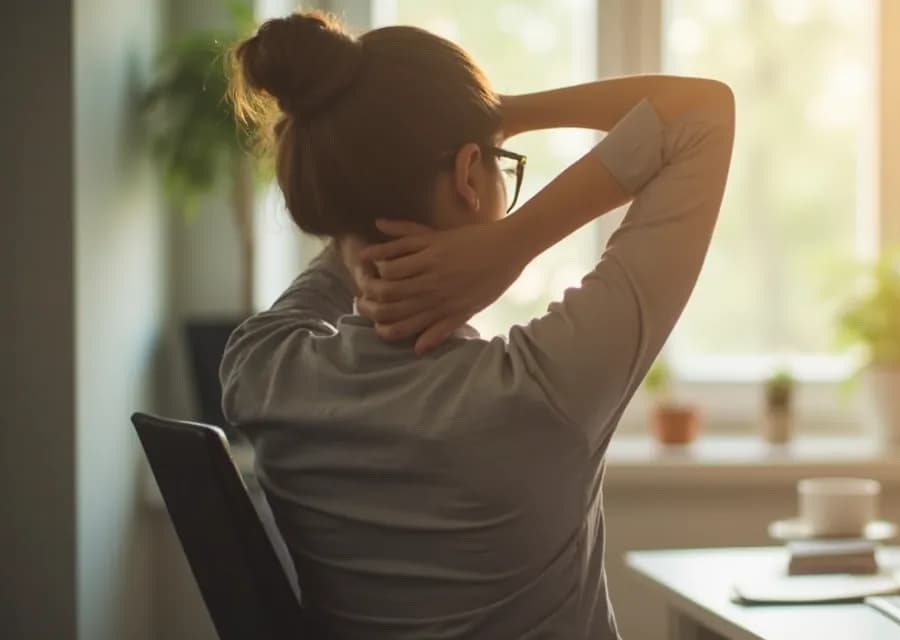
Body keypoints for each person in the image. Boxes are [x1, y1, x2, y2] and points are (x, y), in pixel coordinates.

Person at [220, 11, 734, 639]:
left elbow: (348, 237)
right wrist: (514, 233)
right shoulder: (542, 387)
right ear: (468, 177)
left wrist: (432, 141)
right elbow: (703, 113)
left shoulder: (262, 372)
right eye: (500, 163)